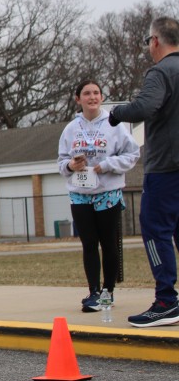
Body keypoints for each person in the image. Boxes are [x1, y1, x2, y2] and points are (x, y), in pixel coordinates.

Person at [108, 17, 179, 328]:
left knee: (154, 230)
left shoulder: (161, 71)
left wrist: (116, 113)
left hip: (166, 168)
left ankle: (166, 301)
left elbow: (144, 107)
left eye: (148, 42)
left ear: (155, 41)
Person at [58, 80, 139, 313]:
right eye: (86, 93)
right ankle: (93, 291)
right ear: (78, 99)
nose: (92, 97)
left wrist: (106, 165)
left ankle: (107, 292)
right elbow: (61, 162)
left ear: (102, 98)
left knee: (108, 243)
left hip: (107, 192)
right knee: (89, 244)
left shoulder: (115, 125)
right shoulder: (71, 128)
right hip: (80, 194)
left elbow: (132, 154)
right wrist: (71, 165)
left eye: (96, 93)